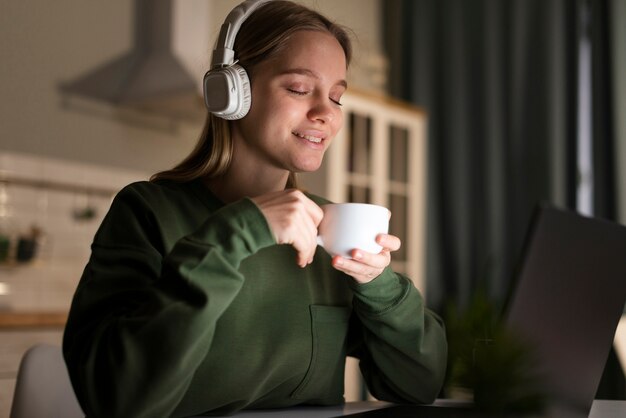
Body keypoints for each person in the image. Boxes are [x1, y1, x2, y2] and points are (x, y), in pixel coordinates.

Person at [62, 1, 448, 417]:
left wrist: (380, 286)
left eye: (336, 97)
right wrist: (236, 235)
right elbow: (114, 400)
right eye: (300, 89)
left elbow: (418, 385)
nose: (326, 114)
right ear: (233, 92)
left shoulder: (329, 227)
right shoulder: (147, 211)